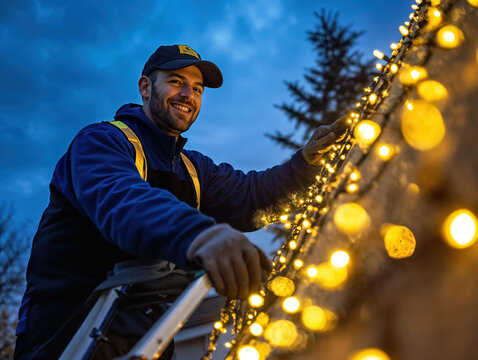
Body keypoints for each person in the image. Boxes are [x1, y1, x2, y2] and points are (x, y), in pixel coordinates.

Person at [14, 44, 337, 359]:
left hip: (144, 339)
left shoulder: (195, 170)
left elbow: (254, 196)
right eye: (176, 82)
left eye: (197, 89)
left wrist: (307, 165)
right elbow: (124, 201)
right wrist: (201, 236)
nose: (188, 95)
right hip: (65, 336)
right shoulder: (101, 142)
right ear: (145, 87)